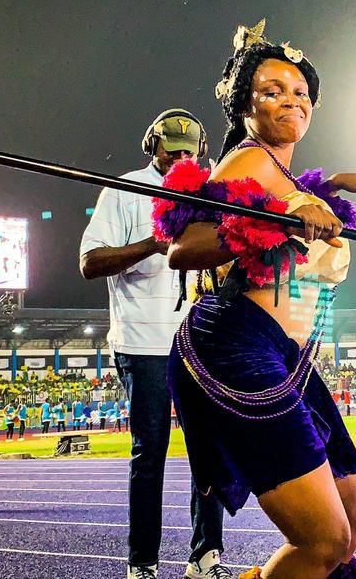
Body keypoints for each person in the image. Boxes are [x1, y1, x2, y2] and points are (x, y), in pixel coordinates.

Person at [163, 21, 356, 579]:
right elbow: (184, 246)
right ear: (246, 108)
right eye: (271, 91)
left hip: (286, 356)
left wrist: (332, 185)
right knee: (323, 539)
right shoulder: (247, 161)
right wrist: (280, 218)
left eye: (299, 92)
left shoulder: (279, 171)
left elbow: (293, 194)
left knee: (353, 515)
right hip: (235, 342)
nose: (290, 100)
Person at [80, 108, 230, 579]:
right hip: (143, 342)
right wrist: (151, 243)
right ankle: (142, 563)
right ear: (153, 146)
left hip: (200, 341)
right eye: (172, 148)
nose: (180, 157)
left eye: (189, 150)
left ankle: (206, 558)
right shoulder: (124, 189)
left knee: (208, 453)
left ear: (201, 152)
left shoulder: (210, 193)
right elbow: (89, 262)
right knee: (151, 454)